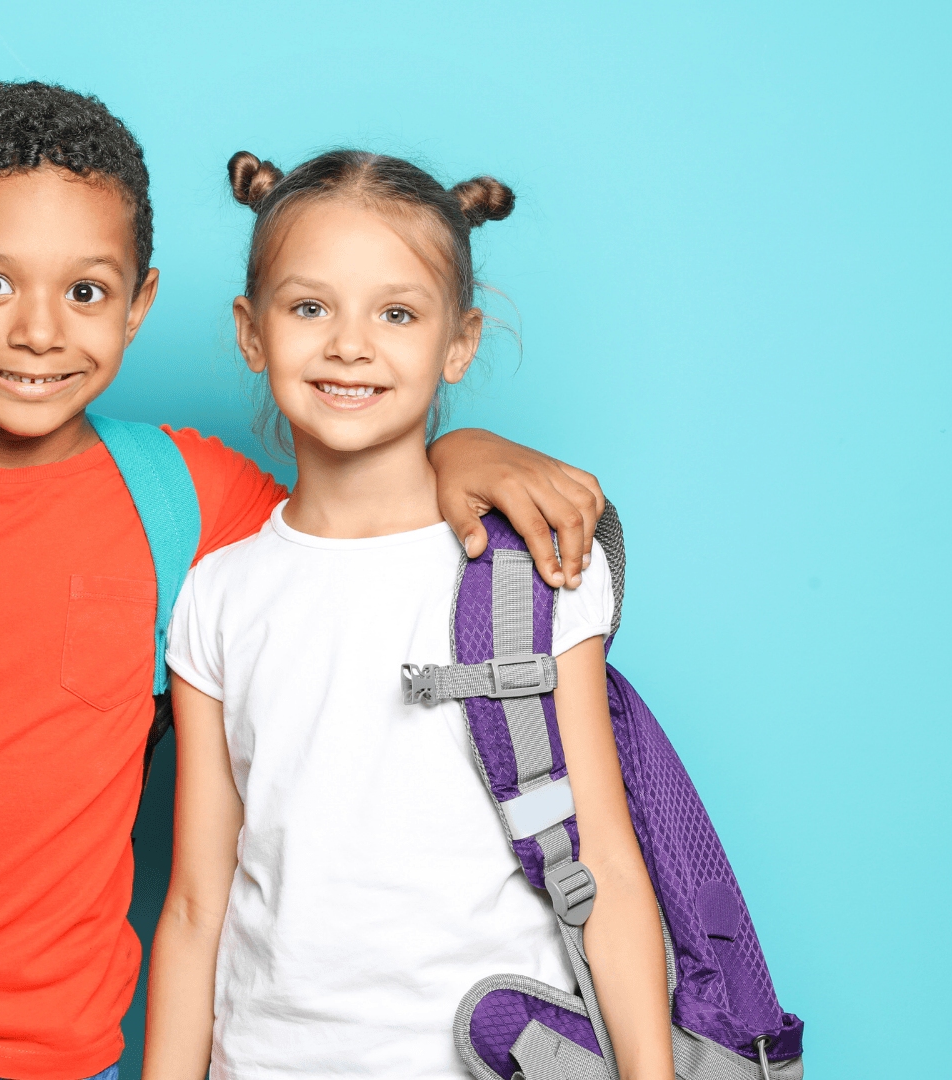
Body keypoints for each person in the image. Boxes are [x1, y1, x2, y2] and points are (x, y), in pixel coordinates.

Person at [0, 83, 609, 1080]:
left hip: (44, 1057)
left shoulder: (187, 497)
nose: (39, 331)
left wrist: (464, 448)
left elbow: (352, 513)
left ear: (140, 304)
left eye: (85, 293)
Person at [143, 150, 674, 1080]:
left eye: (397, 313)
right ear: (252, 332)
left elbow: (610, 867)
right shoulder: (217, 596)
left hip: (497, 1058)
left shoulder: (535, 565)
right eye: (310, 308)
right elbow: (194, 904)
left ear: (458, 343)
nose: (351, 345)